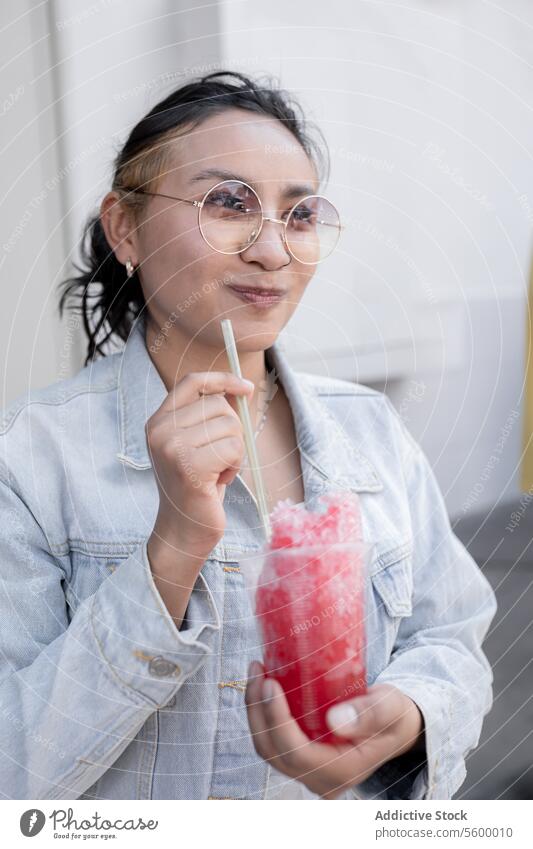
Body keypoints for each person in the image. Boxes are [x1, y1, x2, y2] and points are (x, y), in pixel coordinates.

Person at [0, 71, 496, 800]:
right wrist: (171, 549)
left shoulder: (369, 430)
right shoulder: (31, 456)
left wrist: (409, 715)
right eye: (227, 203)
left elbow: (451, 635)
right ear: (125, 227)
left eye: (298, 216)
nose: (273, 251)